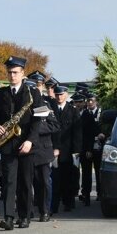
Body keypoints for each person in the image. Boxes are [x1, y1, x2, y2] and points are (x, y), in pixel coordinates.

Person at [0, 56, 43, 230]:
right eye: (9, 72)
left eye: (15, 72)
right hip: (7, 144)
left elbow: (38, 121)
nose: (12, 75)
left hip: (26, 144)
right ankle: (8, 217)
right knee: (8, 182)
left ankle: (25, 215)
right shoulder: (0, 94)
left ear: (23, 74)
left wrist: (30, 141)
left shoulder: (34, 94)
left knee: (25, 182)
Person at [51, 85, 82, 213]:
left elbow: (77, 132)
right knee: (55, 179)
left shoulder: (73, 110)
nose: (59, 97)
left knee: (68, 178)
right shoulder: (51, 109)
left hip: (68, 150)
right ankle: (54, 205)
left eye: (62, 94)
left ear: (66, 95)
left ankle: (68, 203)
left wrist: (76, 151)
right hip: (53, 150)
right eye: (57, 94)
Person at [32, 103, 59, 222]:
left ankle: (44, 211)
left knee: (44, 182)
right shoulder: (19, 104)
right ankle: (27, 211)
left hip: (43, 150)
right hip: (26, 150)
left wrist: (34, 127)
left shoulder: (44, 105)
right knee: (26, 183)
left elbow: (55, 125)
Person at [79, 92, 102, 206]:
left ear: (96, 101)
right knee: (86, 173)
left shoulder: (101, 113)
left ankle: (100, 193)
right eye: (88, 100)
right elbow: (85, 133)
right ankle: (86, 195)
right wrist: (87, 149)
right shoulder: (84, 114)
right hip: (87, 147)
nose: (90, 102)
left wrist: (103, 134)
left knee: (99, 172)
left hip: (99, 147)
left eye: (92, 100)